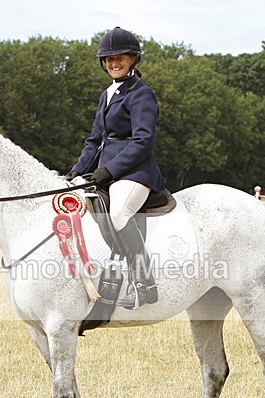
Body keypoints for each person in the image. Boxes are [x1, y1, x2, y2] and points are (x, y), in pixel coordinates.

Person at [67, 27, 163, 310]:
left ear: (133, 59)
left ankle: (145, 283)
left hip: (135, 172)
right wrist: (75, 174)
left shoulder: (141, 94)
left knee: (119, 212)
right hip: (105, 171)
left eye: (119, 57)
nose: (113, 63)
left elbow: (143, 141)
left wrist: (107, 171)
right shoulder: (107, 95)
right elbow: (95, 140)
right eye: (108, 59)